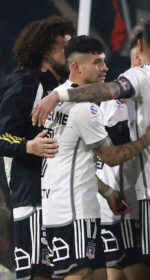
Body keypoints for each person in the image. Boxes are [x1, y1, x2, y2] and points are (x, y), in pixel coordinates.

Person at [33, 17, 150, 280]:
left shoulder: (137, 78)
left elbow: (110, 91)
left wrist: (57, 95)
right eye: (98, 62)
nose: (106, 67)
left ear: (141, 46)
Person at [41, 35, 150, 279]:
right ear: (76, 66)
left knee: (93, 273)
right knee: (80, 273)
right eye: (97, 62)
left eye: (103, 61)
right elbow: (111, 157)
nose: (105, 68)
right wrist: (148, 138)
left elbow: (73, 161)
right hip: (76, 209)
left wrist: (108, 192)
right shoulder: (87, 108)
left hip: (56, 205)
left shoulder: (54, 99)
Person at [0, 16, 75, 280]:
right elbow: (2, 136)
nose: (70, 52)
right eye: (64, 46)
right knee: (38, 274)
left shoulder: (63, 89)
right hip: (32, 198)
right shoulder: (23, 84)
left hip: (63, 199)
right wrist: (28, 146)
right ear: (45, 50)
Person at [96, 29, 150, 280]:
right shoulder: (119, 96)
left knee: (118, 269)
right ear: (140, 57)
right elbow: (113, 140)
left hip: (123, 198)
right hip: (124, 199)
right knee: (135, 268)